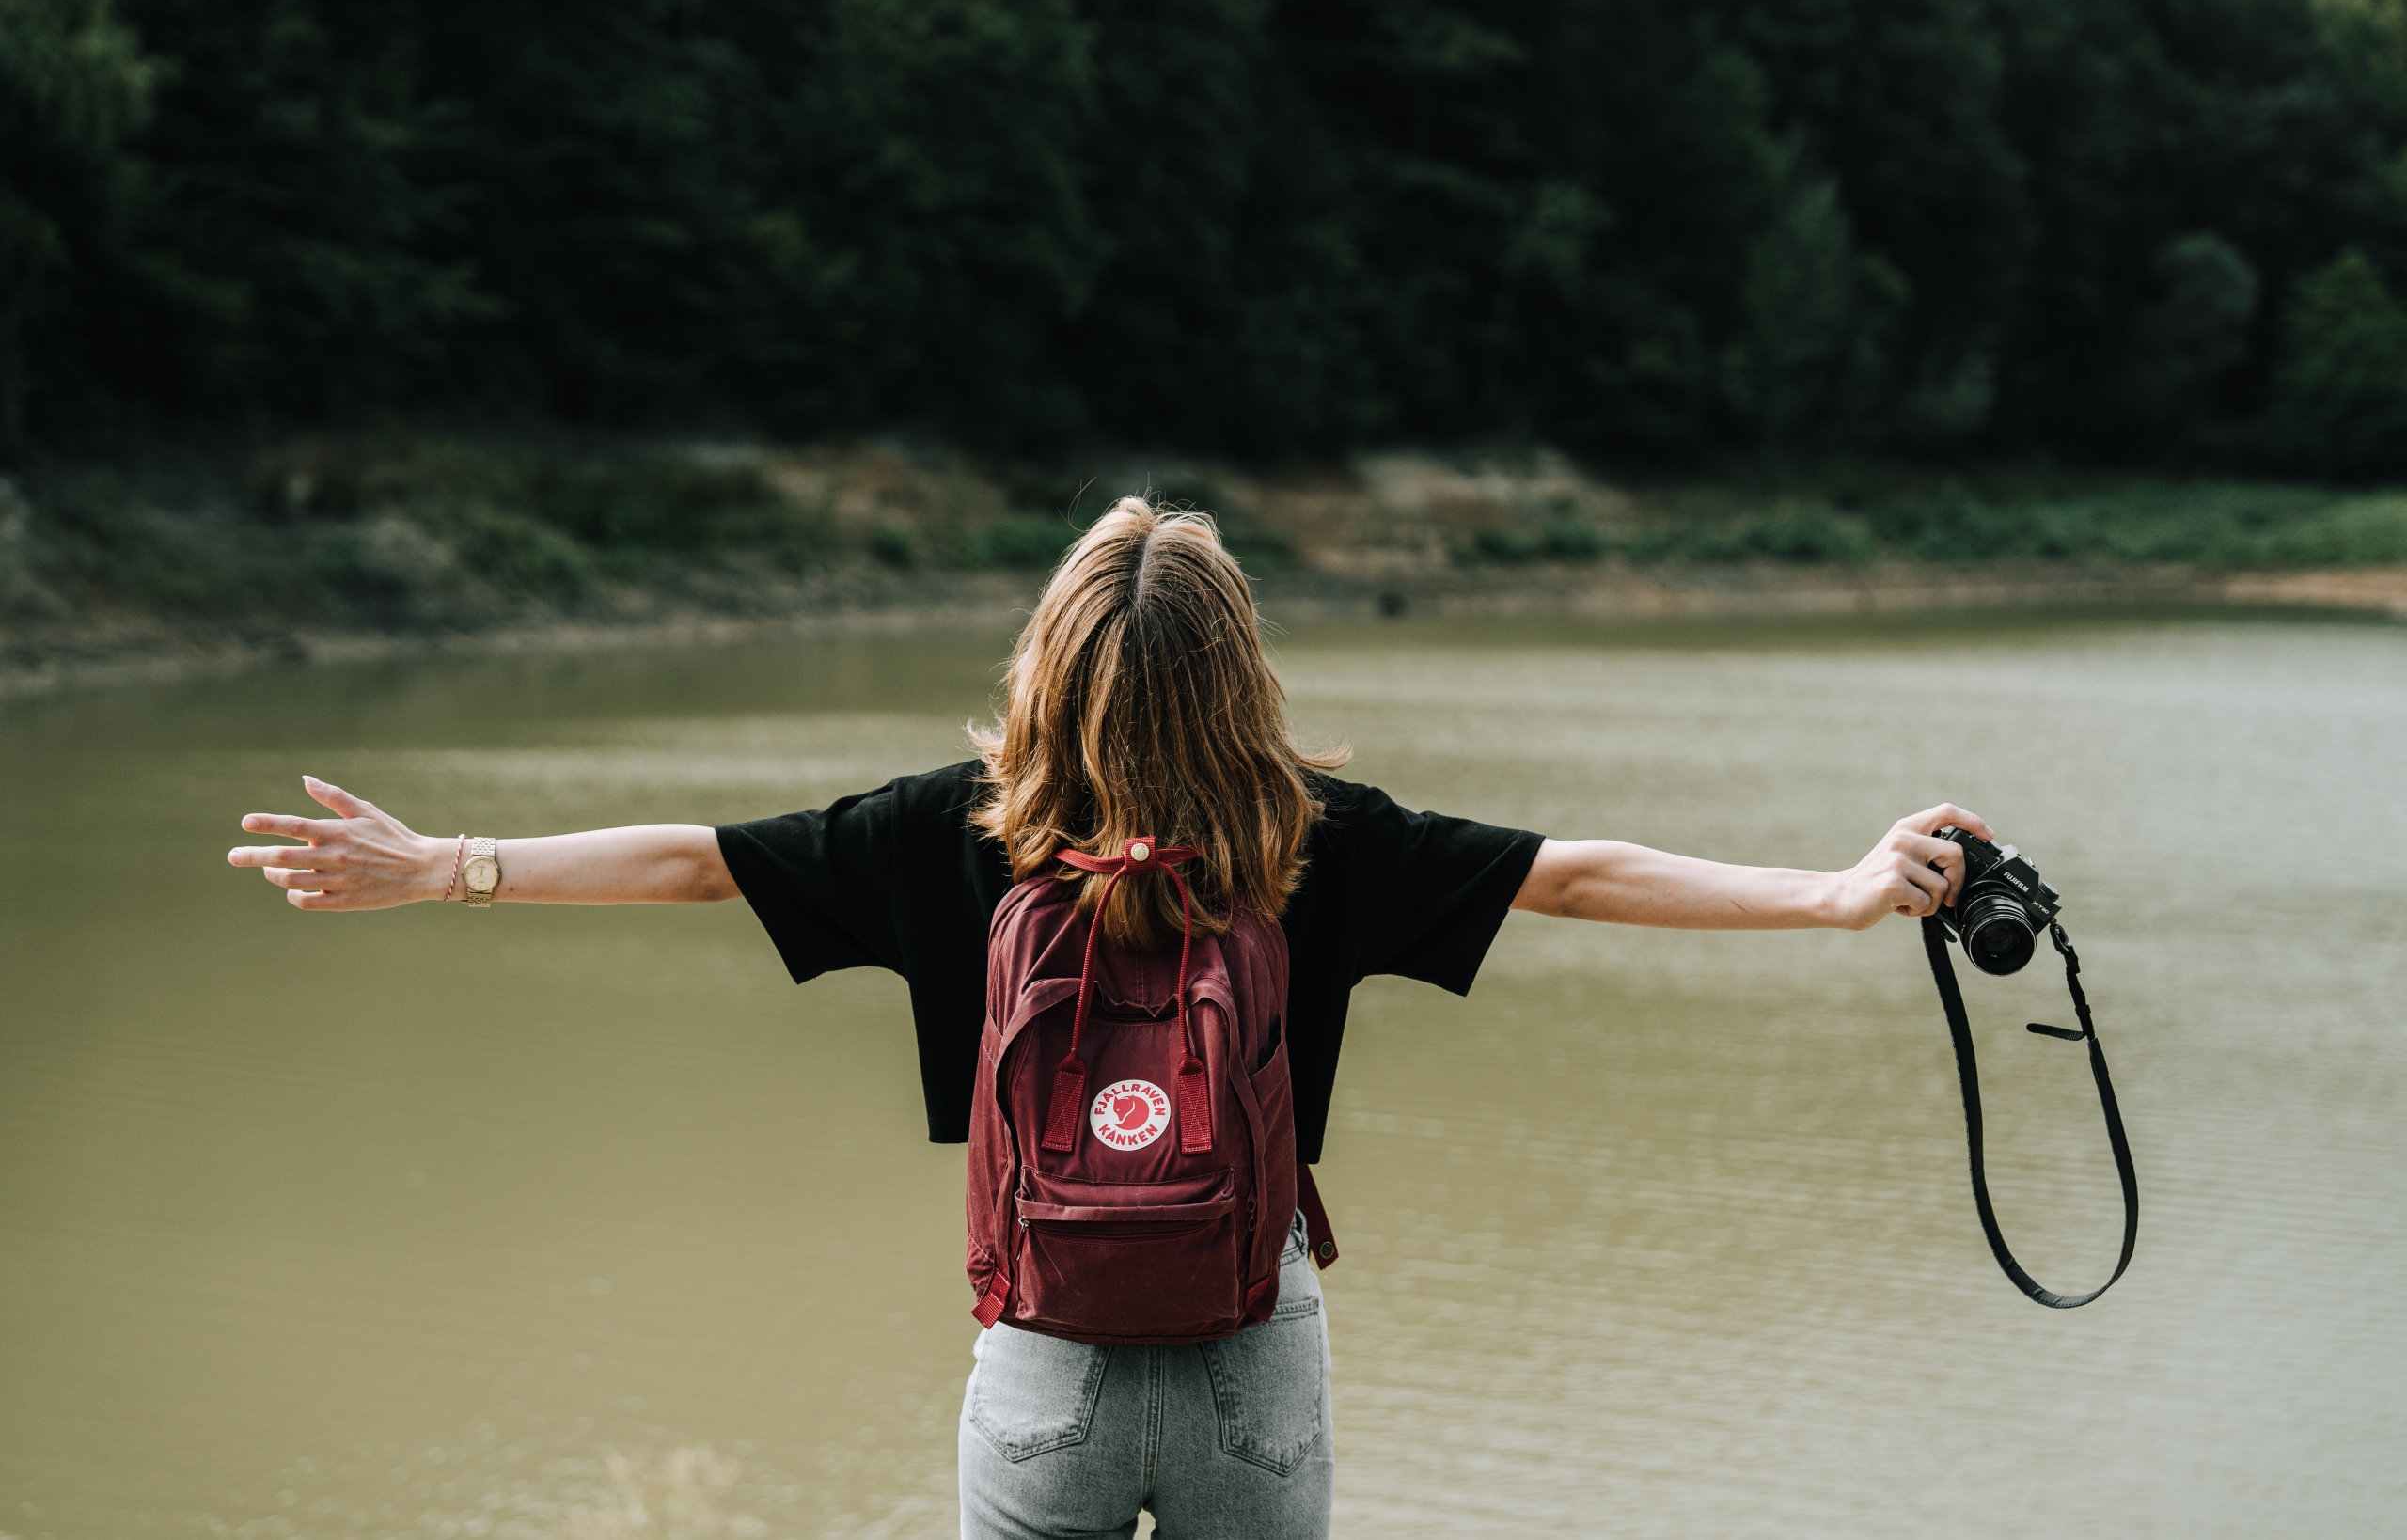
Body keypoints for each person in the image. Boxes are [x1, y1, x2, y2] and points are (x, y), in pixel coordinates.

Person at [228, 496, 1992, 1540]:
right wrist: (1838, 893)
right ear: (1243, 673)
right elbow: (1579, 875)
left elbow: (697, 863)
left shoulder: (961, 830)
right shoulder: (1318, 839)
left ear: (1046, 667)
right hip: (1252, 1361)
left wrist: (443, 863)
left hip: (1045, 1363)